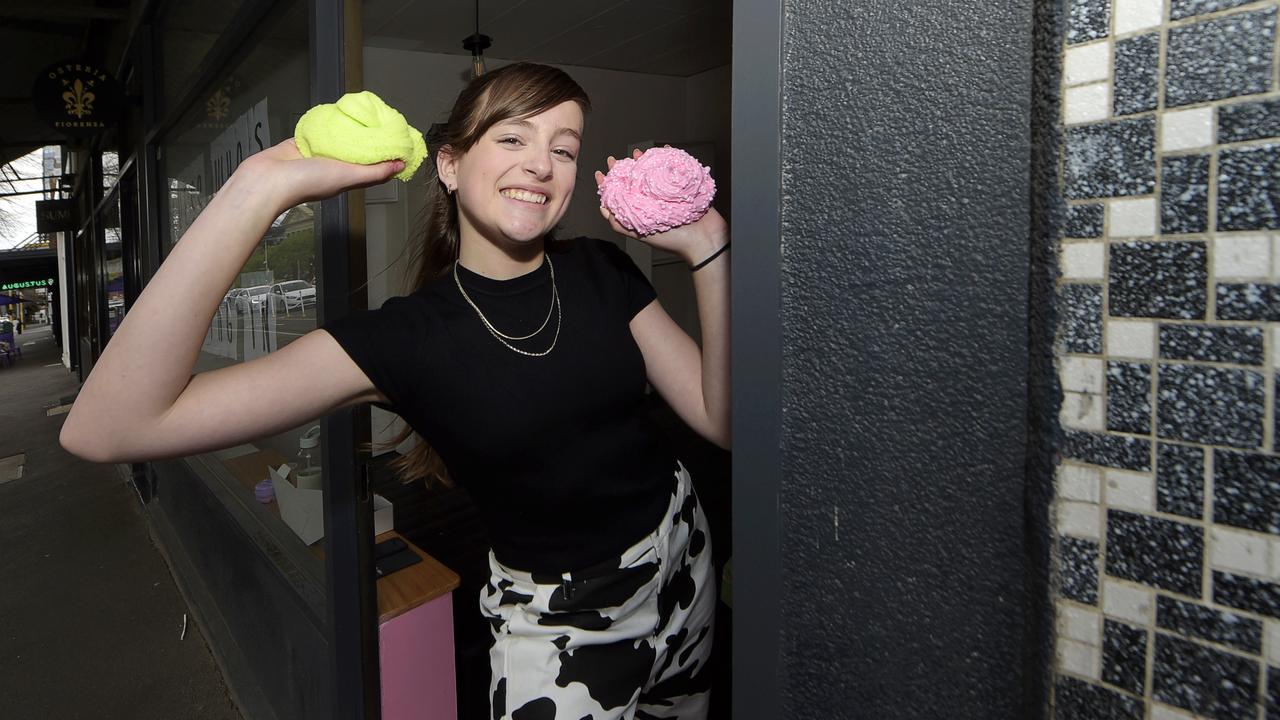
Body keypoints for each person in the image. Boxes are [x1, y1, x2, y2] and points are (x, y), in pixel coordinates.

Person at [60, 62, 729, 719]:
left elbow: (720, 418)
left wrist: (707, 247)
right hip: (566, 622)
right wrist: (256, 185)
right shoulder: (403, 339)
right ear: (450, 165)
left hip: (683, 548)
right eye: (512, 138)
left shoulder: (601, 268)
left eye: (563, 148)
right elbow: (111, 426)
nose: (541, 164)